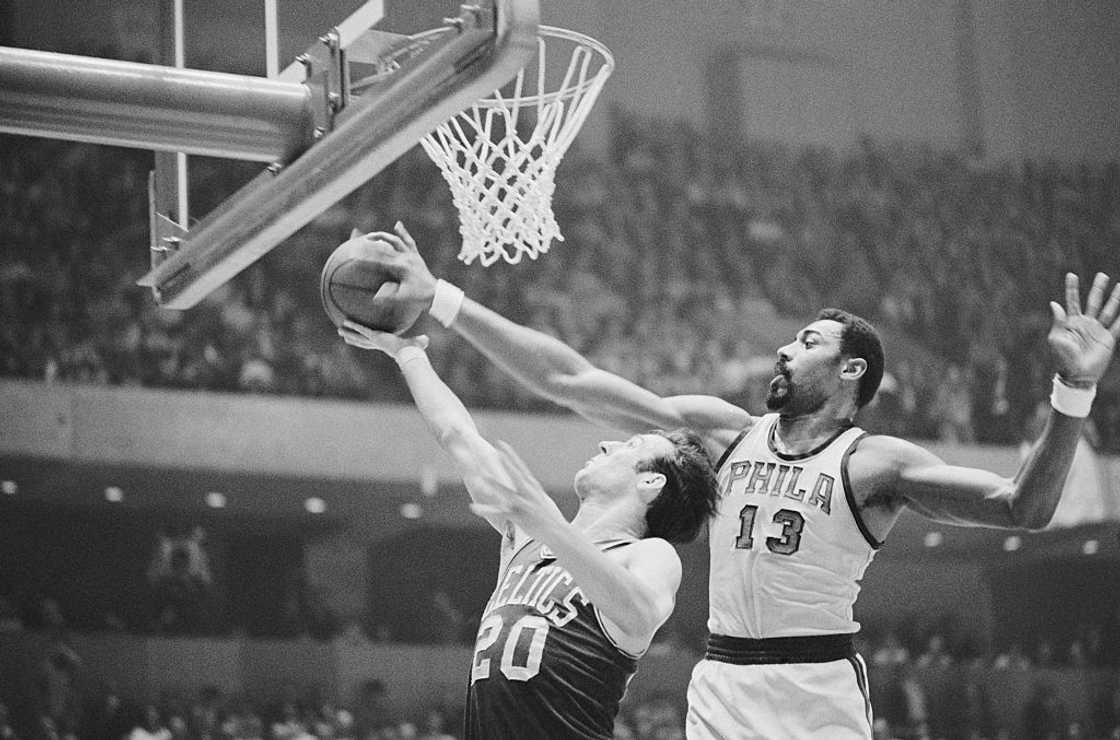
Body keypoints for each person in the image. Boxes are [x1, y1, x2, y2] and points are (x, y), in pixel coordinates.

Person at [347, 223, 1120, 739]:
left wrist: (1072, 394)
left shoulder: (876, 463)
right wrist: (444, 303)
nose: (785, 349)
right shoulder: (727, 433)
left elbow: (1026, 504)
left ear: (851, 370)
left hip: (817, 687)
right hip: (722, 681)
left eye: (807, 341)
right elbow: (575, 381)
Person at [337, 318, 719, 739]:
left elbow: (642, 612)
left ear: (651, 482)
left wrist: (551, 527)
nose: (606, 444)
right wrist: (407, 353)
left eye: (630, 447)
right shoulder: (529, 533)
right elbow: (457, 434)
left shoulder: (648, 554)